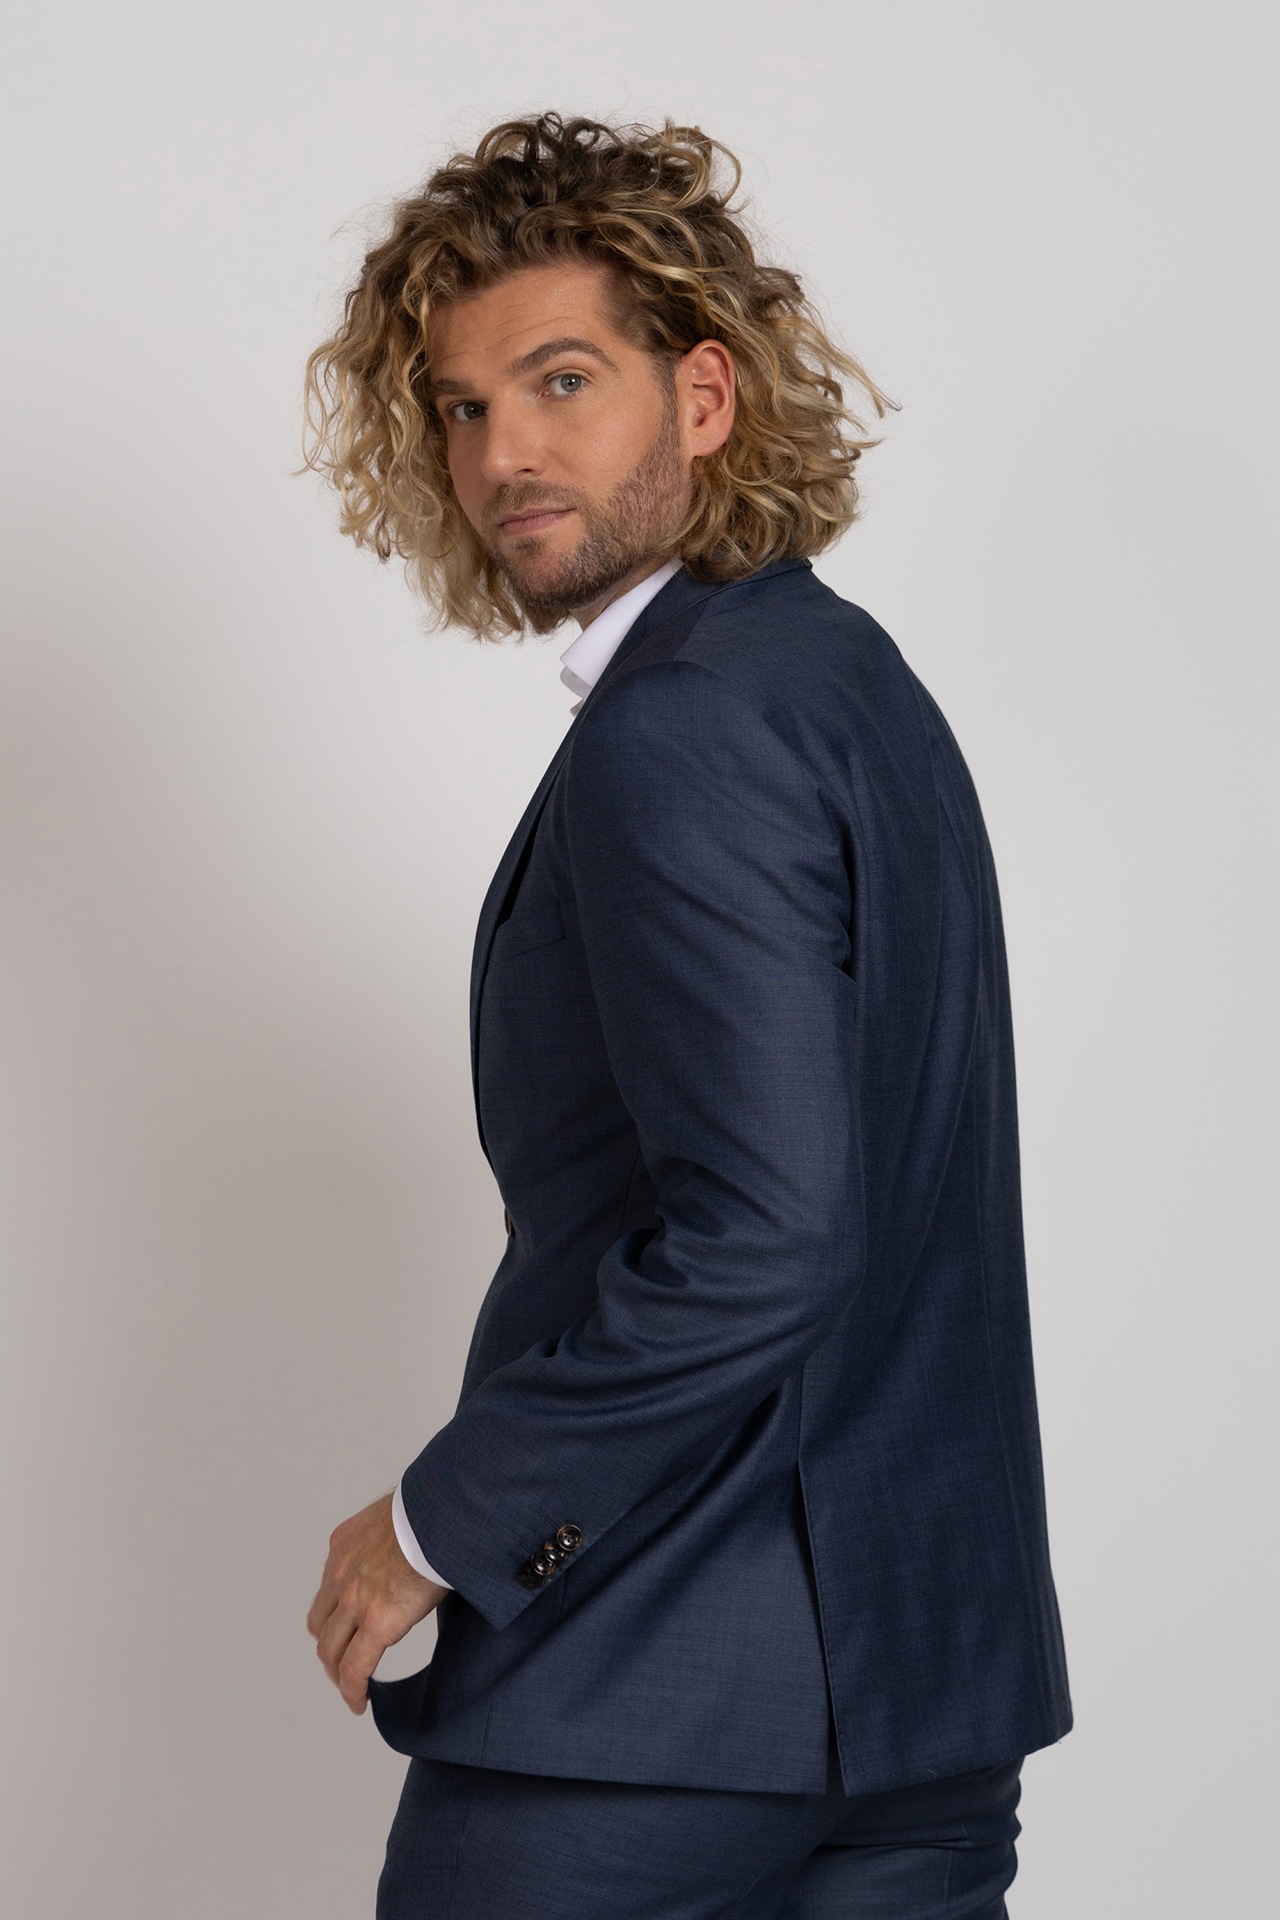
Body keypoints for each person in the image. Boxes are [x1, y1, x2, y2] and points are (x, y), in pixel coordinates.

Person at [303, 113, 1071, 1919]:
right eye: (463, 407)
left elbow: (771, 1232)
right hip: (923, 1699)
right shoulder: (852, 685)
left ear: (705, 398)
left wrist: (439, 1520)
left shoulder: (683, 729)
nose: (504, 452)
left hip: (653, 1715)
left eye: (561, 382)